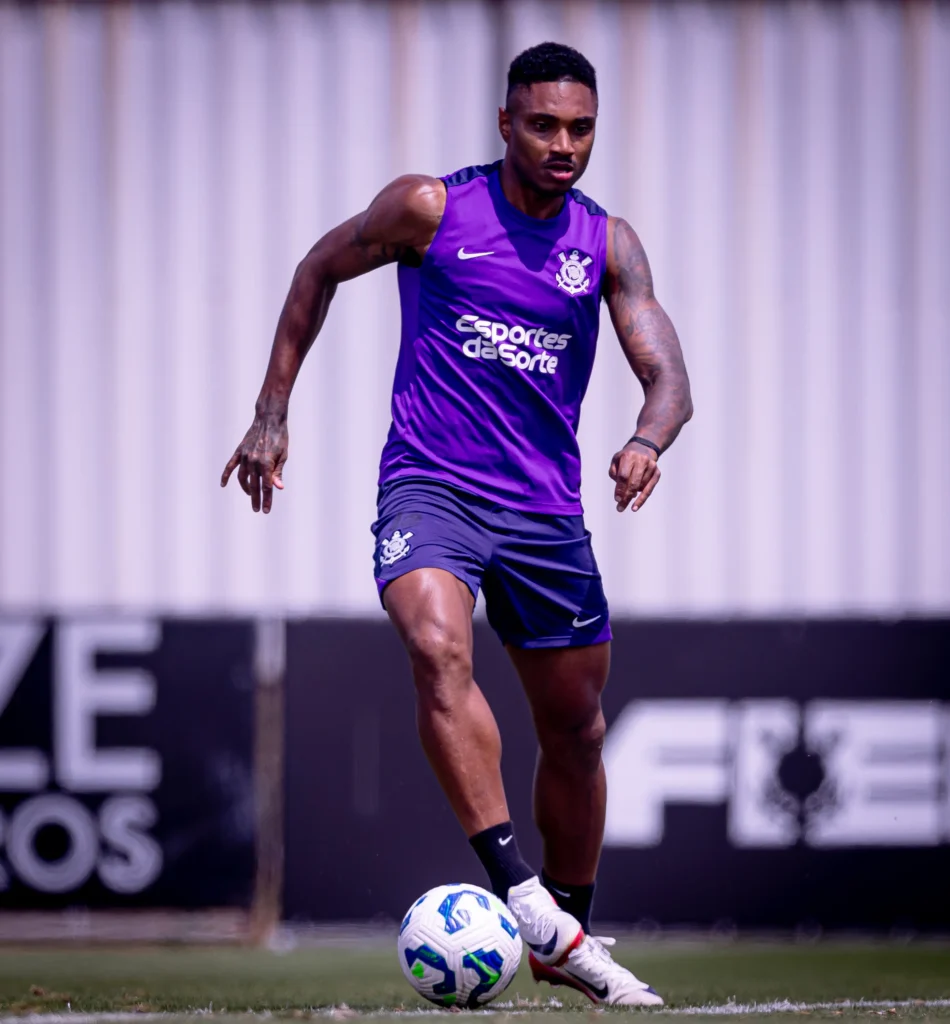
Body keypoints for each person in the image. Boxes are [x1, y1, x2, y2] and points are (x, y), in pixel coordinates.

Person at [222, 41, 692, 1006]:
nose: (564, 145)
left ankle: (567, 928)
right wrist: (272, 410)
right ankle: (522, 897)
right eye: (544, 125)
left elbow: (669, 379)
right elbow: (317, 269)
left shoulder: (608, 244)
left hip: (544, 512)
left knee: (577, 730)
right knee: (437, 648)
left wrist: (647, 440)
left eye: (582, 129)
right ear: (505, 122)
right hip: (430, 486)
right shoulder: (430, 209)